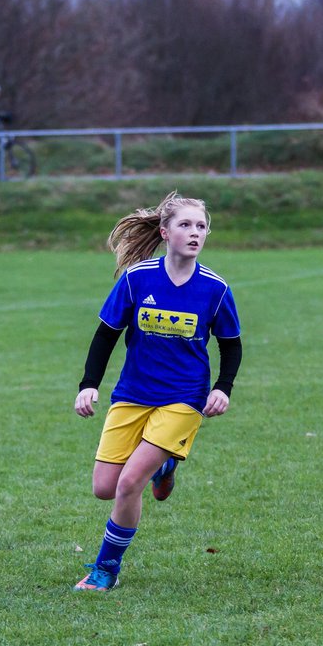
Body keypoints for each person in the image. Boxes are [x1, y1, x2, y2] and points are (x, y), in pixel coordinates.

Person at [73, 191, 243, 592]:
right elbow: (105, 335)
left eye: (201, 226)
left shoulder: (215, 289)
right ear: (165, 232)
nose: (195, 232)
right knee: (105, 488)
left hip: (185, 398)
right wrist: (88, 385)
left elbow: (231, 344)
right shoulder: (137, 278)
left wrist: (223, 388)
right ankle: (165, 466)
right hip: (133, 393)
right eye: (185, 225)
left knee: (131, 482)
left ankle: (105, 570)